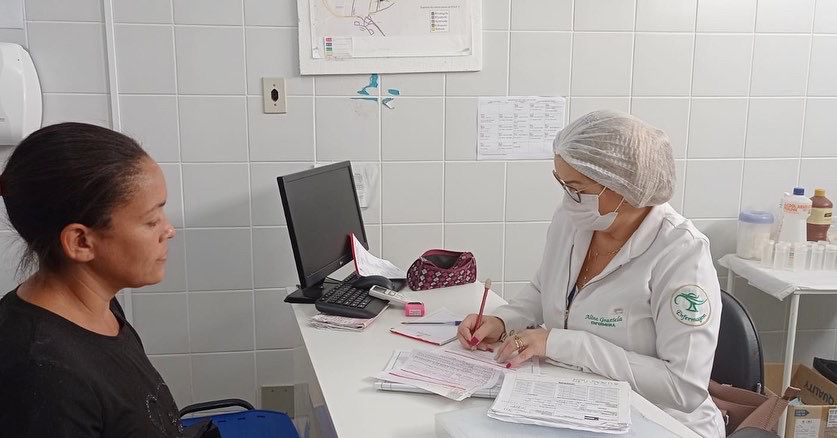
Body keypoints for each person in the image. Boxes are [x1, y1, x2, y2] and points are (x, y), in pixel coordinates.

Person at [458, 110, 725, 437]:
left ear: (624, 186)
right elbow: (545, 288)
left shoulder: (682, 254)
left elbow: (683, 387)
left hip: (660, 422)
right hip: (579, 402)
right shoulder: (576, 220)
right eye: (562, 184)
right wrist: (503, 321)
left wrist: (560, 344)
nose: (568, 199)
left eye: (576, 188)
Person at [0, 123, 183, 436]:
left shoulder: (98, 308)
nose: (169, 230)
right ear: (81, 242)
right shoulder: (44, 376)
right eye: (152, 220)